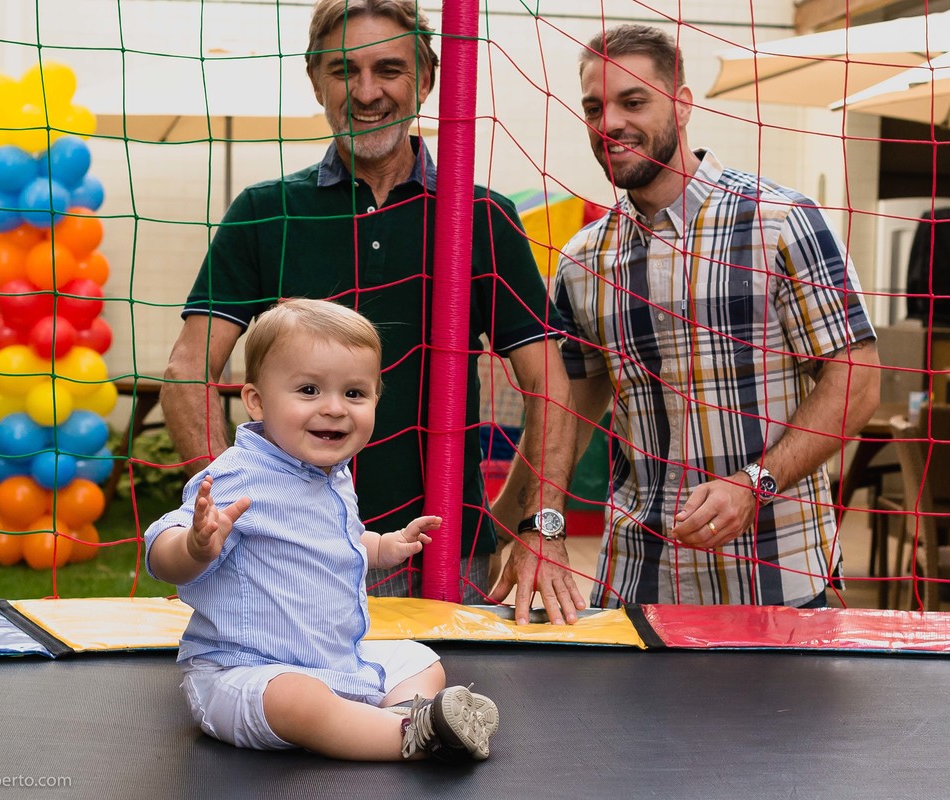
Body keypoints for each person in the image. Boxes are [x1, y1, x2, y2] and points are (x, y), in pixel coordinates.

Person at [159, 0, 585, 624]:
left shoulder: (483, 218)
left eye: (388, 69)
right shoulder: (265, 212)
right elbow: (187, 372)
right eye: (342, 71)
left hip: (442, 558)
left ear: (427, 78)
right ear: (315, 82)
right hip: (289, 561)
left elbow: (550, 385)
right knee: (285, 717)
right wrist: (231, 514)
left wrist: (539, 526)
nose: (366, 92)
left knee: (435, 717)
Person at [553, 25, 881, 608]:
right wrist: (533, 519)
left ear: (682, 105)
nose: (611, 124)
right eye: (594, 107)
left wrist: (757, 484)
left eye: (634, 102)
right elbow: (571, 409)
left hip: (777, 573)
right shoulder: (582, 261)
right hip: (636, 577)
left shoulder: (781, 220)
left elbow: (856, 382)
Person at [145, 299, 500, 759]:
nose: (334, 409)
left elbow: (338, 543)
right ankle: (412, 738)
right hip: (244, 673)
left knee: (420, 659)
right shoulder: (239, 475)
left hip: (334, 663)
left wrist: (383, 546)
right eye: (309, 390)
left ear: (376, 398)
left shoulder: (335, 476)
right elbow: (159, 547)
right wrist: (195, 547)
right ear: (256, 400)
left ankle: (400, 720)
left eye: (354, 393)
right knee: (298, 700)